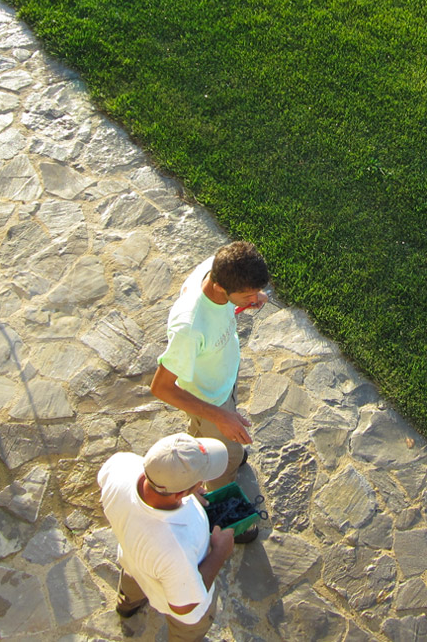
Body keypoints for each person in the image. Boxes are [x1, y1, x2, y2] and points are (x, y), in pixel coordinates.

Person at [150, 241, 269, 496]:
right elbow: (160, 387)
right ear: (219, 287)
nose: (256, 297)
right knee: (221, 464)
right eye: (248, 293)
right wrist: (219, 416)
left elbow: (223, 309)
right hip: (210, 399)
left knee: (223, 445)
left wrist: (248, 299)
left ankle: (219, 448)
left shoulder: (217, 268)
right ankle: (222, 502)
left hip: (223, 380)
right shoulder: (189, 329)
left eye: (257, 290)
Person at [97, 433, 236, 641]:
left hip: (133, 562)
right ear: (179, 494)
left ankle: (127, 606)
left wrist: (186, 491)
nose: (202, 484)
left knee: (132, 584)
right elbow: (184, 606)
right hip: (177, 601)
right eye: (199, 481)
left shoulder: (121, 465)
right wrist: (219, 552)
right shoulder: (175, 549)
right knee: (187, 633)